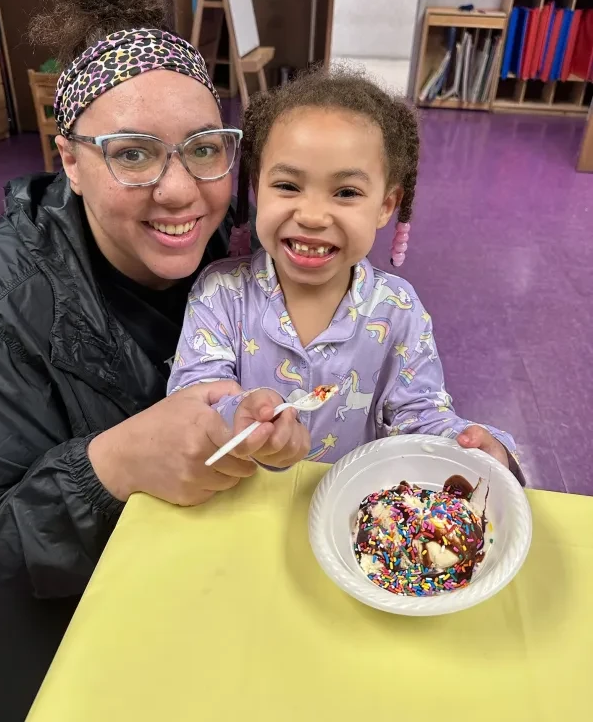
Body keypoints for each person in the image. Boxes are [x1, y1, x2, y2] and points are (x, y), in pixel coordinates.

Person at [0, 0, 308, 722]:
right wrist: (108, 465)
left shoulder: (229, 264)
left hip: (185, 594)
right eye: (133, 153)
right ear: (72, 161)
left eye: (203, 148)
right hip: (52, 640)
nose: (179, 190)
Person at [168, 68, 524, 480]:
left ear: (386, 205)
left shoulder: (398, 310)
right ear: (255, 187)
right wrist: (239, 414)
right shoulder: (220, 294)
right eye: (287, 185)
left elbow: (419, 415)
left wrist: (473, 446)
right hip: (238, 499)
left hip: (350, 513)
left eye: (347, 193)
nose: (313, 216)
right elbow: (193, 397)